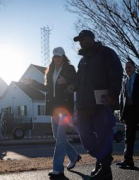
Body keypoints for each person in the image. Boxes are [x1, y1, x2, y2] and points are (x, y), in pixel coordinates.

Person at [70, 30, 123, 180]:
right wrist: (73, 85)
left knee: (103, 136)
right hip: (84, 105)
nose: (81, 42)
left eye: (83, 39)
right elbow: (78, 80)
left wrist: (112, 95)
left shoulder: (106, 53)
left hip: (102, 104)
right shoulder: (82, 60)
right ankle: (101, 160)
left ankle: (105, 170)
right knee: (84, 135)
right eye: (79, 40)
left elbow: (116, 74)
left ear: (92, 38)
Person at [22, 47, 81, 179]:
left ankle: (57, 168)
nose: (57, 58)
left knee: (60, 137)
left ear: (63, 56)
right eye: (55, 56)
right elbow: (47, 88)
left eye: (59, 56)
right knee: (57, 136)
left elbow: (77, 83)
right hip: (53, 107)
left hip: (65, 107)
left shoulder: (69, 69)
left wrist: (67, 82)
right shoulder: (50, 71)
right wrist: (32, 83)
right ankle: (74, 155)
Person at [116, 60, 139, 168]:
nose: (128, 69)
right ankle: (128, 160)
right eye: (126, 68)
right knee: (128, 137)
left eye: (130, 67)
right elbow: (122, 99)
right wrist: (121, 114)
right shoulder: (124, 81)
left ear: (134, 67)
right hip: (129, 112)